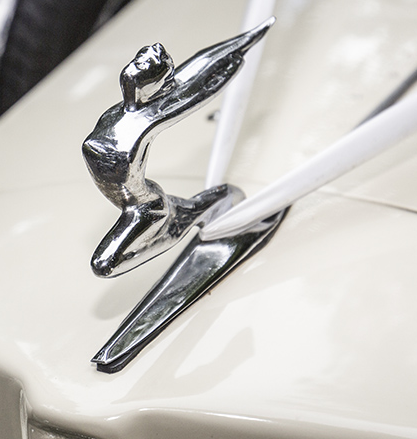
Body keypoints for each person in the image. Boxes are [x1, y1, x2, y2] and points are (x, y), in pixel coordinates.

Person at [82, 18, 274, 277]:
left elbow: (199, 75)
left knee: (103, 265)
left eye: (146, 64)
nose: (136, 65)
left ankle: (194, 214)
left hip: (146, 209)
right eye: (139, 59)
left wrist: (243, 44)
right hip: (132, 204)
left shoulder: (153, 115)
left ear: (155, 83)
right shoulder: (118, 112)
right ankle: (195, 212)